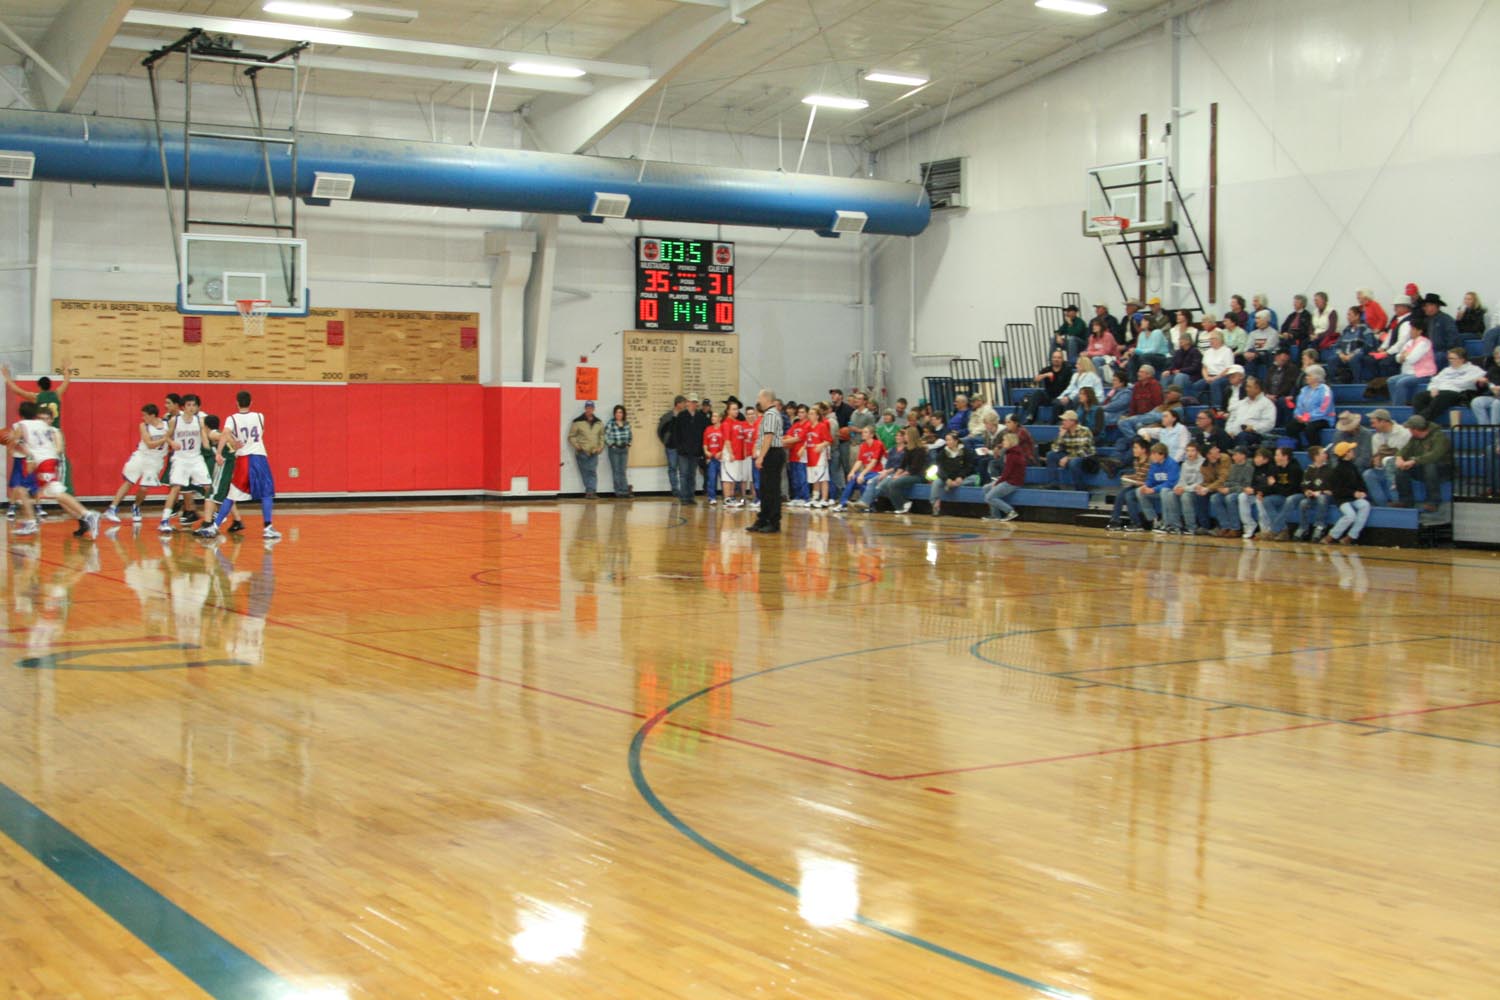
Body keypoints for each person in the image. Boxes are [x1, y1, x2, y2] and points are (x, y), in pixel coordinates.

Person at [9, 400, 98, 539]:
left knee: (55, 491)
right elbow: (31, 445)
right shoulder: (44, 426)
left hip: (45, 460)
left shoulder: (21, 425)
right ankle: (31, 521)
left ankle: (87, 514)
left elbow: (13, 444)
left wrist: (11, 442)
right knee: (28, 489)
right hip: (43, 460)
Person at [197, 391, 279, 541]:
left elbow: (225, 434)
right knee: (267, 492)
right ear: (251, 402)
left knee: (232, 494)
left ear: (237, 403)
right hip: (259, 457)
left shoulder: (232, 419)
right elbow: (261, 432)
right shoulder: (260, 416)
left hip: (243, 459)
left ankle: (214, 527)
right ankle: (268, 527)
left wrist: (219, 453)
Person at [104, 403, 170, 524]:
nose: (142, 418)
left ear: (152, 415)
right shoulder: (143, 426)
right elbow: (149, 444)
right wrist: (165, 439)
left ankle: (136, 506)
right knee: (128, 482)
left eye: (145, 415)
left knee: (144, 488)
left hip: (156, 460)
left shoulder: (167, 424)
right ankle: (112, 508)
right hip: (141, 456)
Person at [159, 395, 211, 534]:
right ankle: (164, 521)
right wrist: (172, 443)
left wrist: (210, 448)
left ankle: (210, 520)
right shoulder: (174, 421)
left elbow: (205, 438)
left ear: (197, 407)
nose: (191, 408)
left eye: (194, 405)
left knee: (208, 486)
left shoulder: (199, 421)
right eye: (188, 405)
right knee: (175, 488)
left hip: (195, 459)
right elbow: (167, 436)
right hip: (180, 459)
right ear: (183, 407)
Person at [196, 414, 245, 536]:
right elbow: (208, 446)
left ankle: (207, 525)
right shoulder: (212, 434)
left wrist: (233, 442)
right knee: (226, 496)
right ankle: (237, 521)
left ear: (206, 426)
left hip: (223, 467)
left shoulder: (213, 433)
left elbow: (224, 435)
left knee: (211, 495)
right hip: (228, 467)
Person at [746, 389, 786, 533]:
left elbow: (768, 437)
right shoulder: (770, 414)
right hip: (770, 452)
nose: (758, 401)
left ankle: (773, 522)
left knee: (771, 489)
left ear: (766, 399)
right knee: (764, 488)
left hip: (772, 453)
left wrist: (761, 456)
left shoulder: (770, 414)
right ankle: (763, 518)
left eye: (759, 398)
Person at [1392, 415, 1450, 512]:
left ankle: (1433, 501)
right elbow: (1405, 449)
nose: (1409, 431)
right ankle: (1405, 500)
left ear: (1415, 429)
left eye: (1410, 429)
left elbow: (1435, 455)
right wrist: (1399, 457)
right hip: (1422, 467)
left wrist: (1414, 461)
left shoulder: (1439, 436)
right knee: (1401, 469)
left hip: (1443, 468)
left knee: (1430, 466)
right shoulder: (1414, 438)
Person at [1411, 347, 1484, 424]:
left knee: (1442, 396)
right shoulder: (1447, 370)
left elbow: (1467, 383)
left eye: (1452, 358)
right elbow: (1434, 381)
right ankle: (1424, 422)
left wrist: (1449, 383)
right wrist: (1433, 388)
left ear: (1462, 359)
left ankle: (1418, 422)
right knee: (1419, 396)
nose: (1450, 360)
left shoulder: (1474, 369)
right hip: (1440, 391)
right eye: (1449, 358)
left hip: (1458, 392)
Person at [1325, 441, 1371, 545]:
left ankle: (1351, 535)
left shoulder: (1352, 466)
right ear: (1346, 454)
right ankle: (1331, 536)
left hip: (1353, 497)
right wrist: (1354, 493)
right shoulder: (1336, 471)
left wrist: (1362, 492)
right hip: (1342, 499)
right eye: (1351, 450)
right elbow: (1337, 490)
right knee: (1351, 516)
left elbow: (1360, 482)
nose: (1353, 452)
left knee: (1365, 505)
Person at [1285, 445, 1334, 541]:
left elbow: (1332, 488)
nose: (1325, 454)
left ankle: (1320, 526)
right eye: (1323, 453)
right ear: (1316, 457)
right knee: (1303, 503)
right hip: (1313, 496)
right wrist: (1307, 491)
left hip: (1326, 496)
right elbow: (1305, 484)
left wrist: (1322, 491)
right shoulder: (1309, 470)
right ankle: (1303, 527)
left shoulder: (1330, 470)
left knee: (1322, 498)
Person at [1363, 408, 1411, 506]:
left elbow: (1408, 454)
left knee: (1390, 464)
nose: (1372, 426)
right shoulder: (1376, 437)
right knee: (1368, 474)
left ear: (1384, 421)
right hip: (1382, 468)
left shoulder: (1404, 433)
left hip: (1401, 467)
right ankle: (1383, 506)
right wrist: (1375, 461)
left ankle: (1397, 502)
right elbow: (1375, 455)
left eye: (1374, 423)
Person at [835, 425, 887, 512]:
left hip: (879, 472)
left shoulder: (878, 444)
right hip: (868, 472)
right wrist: (851, 472)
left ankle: (868, 505)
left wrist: (862, 474)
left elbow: (873, 462)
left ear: (871, 435)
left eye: (865, 432)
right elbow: (859, 461)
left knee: (860, 479)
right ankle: (842, 504)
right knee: (853, 478)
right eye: (862, 432)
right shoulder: (863, 445)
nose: (863, 434)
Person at [876, 427, 928, 514]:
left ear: (911, 436)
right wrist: (896, 474)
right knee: (886, 484)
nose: (905, 437)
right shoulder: (907, 449)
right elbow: (902, 465)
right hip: (908, 473)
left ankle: (901, 506)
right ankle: (902, 504)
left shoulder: (920, 450)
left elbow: (914, 469)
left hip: (918, 475)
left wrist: (900, 476)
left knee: (893, 484)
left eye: (906, 435)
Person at [1257, 446, 1303, 540]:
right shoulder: (1276, 469)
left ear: (1285, 457)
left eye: (1277, 455)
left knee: (1290, 500)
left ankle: (1274, 530)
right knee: (1267, 500)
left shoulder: (1295, 469)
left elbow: (1291, 490)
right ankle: (1283, 530)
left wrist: (1275, 484)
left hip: (1297, 494)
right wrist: (1263, 493)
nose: (1275, 457)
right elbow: (1273, 487)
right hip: (1283, 494)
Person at [1386, 319, 1436, 406]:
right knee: (1391, 380)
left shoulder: (1424, 343)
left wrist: (1404, 355)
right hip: (1408, 373)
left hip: (1423, 374)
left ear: (1419, 331)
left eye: (1412, 329)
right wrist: (1404, 355)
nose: (1410, 331)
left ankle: (1399, 407)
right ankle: (1395, 404)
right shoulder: (1409, 342)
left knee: (1401, 382)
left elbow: (1412, 359)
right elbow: (1398, 358)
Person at [1105, 438, 1152, 532]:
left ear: (1143, 450)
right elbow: (1139, 475)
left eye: (1135, 448)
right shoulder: (1136, 460)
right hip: (1137, 485)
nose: (1133, 450)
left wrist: (1140, 482)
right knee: (1120, 495)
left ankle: (1137, 523)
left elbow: (1151, 480)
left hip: (1145, 486)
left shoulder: (1151, 462)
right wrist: (1129, 477)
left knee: (1129, 495)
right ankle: (1115, 521)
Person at [1159, 439, 1204, 535]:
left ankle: (1191, 527)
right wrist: (1178, 487)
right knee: (1170, 494)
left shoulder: (1203, 463)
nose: (1189, 453)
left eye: (1192, 450)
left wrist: (1185, 489)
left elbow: (1200, 482)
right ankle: (1175, 526)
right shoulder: (1184, 464)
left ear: (1198, 452)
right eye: (1187, 451)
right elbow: (1181, 480)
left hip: (1197, 491)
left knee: (1185, 497)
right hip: (1186, 489)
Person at [1018, 350, 1073, 424]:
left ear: (1062, 359)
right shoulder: (1047, 369)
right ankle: (1030, 417)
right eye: (1054, 357)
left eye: (1059, 358)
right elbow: (1035, 379)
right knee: (1038, 393)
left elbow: (1070, 386)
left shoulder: (1067, 370)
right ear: (1051, 359)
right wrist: (1045, 375)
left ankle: (1052, 423)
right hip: (1048, 396)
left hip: (1060, 397)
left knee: (1057, 403)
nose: (1056, 359)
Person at [1046, 410, 1095, 490]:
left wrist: (1068, 458)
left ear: (1072, 422)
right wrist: (1060, 436)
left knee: (1074, 462)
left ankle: (1080, 489)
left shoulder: (1084, 431)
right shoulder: (1065, 431)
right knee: (1050, 455)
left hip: (1086, 457)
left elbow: (1084, 450)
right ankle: (1054, 484)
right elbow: (1055, 449)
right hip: (1070, 456)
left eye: (1065, 420)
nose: (1062, 422)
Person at [1287, 365, 1334, 449]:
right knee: (1291, 427)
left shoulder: (1326, 390)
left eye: (1309, 375)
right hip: (1305, 418)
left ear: (1316, 377)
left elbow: (1324, 409)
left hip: (1322, 418)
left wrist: (1308, 417)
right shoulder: (1304, 390)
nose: (1306, 378)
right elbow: (1299, 406)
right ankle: (1297, 449)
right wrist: (1298, 416)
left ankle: (1316, 450)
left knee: (1310, 429)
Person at [928, 431, 974, 517]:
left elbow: (969, 467)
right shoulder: (942, 453)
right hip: (947, 477)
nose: (947, 442)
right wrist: (946, 479)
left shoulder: (965, 452)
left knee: (973, 479)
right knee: (936, 482)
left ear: (956, 441)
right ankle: (935, 505)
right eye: (946, 440)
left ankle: (951, 485)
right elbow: (939, 469)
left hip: (961, 478)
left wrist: (961, 476)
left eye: (949, 440)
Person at [1210, 446, 1254, 537]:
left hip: (1241, 492)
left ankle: (1235, 528)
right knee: (1215, 498)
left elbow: (1246, 485)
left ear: (1243, 456)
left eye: (1235, 454)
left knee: (1230, 498)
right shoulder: (1233, 467)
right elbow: (1228, 481)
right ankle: (1225, 526)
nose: (1233, 457)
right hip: (1231, 490)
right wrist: (1222, 487)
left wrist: (1230, 489)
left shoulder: (1249, 468)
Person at [1136, 443, 1180, 531]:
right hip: (1158, 490)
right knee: (1139, 491)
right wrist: (1146, 486)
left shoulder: (1172, 464)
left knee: (1164, 491)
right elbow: (1151, 479)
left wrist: (1153, 489)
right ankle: (1154, 520)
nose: (1151, 456)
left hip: (1171, 491)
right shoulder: (1154, 464)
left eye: (1153, 454)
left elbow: (1171, 483)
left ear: (1162, 454)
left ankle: (1167, 523)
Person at [983, 432, 1025, 523]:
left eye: (1005, 440)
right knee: (986, 488)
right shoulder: (1011, 452)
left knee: (989, 497)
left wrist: (997, 482)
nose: (1003, 442)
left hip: (1012, 482)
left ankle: (1010, 511)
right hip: (1009, 479)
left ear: (1011, 442)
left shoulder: (1012, 455)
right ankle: (995, 515)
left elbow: (1007, 472)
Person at [568, 401, 605, 499]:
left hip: (594, 452)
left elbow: (602, 436)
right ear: (585, 408)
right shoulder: (577, 421)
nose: (589, 409)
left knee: (592, 471)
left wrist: (600, 447)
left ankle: (591, 491)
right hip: (582, 452)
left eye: (591, 408)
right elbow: (571, 436)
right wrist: (577, 446)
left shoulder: (599, 422)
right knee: (585, 472)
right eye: (587, 407)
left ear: (594, 409)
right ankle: (590, 491)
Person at [670, 397, 703, 503]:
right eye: (691, 402)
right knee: (683, 474)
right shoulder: (682, 416)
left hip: (695, 451)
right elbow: (676, 433)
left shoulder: (700, 416)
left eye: (695, 402)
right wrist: (679, 447)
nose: (693, 404)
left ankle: (691, 496)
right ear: (687, 403)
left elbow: (702, 434)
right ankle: (684, 497)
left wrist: (700, 449)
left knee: (692, 474)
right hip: (683, 451)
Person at [1331, 307, 1375, 383]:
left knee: (1354, 359)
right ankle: (1334, 383)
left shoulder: (1365, 328)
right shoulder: (1346, 330)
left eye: (1350, 315)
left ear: (1357, 316)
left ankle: (1357, 382)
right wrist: (1340, 354)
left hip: (1358, 354)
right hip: (1344, 355)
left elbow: (1368, 345)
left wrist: (1352, 354)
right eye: (1347, 315)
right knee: (1332, 359)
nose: (1347, 317)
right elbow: (1337, 345)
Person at [1240, 447, 1276, 540]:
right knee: (1242, 496)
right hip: (1256, 492)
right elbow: (1253, 483)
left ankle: (1265, 530)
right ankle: (1249, 525)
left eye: (1258, 457)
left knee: (1260, 501)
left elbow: (1271, 486)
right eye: (1255, 456)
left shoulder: (1272, 468)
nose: (1255, 459)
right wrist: (1250, 489)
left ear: (1266, 459)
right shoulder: (1254, 468)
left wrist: (1257, 491)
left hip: (1266, 494)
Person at [804, 402, 832, 508]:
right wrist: (803, 448)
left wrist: (821, 445)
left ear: (817, 416)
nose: (809, 416)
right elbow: (805, 439)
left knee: (823, 477)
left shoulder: (822, 426)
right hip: (810, 454)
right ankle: (815, 497)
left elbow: (829, 440)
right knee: (814, 477)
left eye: (812, 414)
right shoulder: (808, 427)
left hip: (820, 455)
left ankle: (824, 499)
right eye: (809, 414)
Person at [658, 396, 686, 496]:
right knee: (673, 468)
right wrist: (666, 442)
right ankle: (675, 489)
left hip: (682, 448)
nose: (685, 405)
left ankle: (683, 489)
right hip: (671, 447)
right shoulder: (667, 417)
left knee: (683, 469)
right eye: (683, 403)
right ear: (678, 404)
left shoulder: (684, 416)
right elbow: (660, 431)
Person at [604, 404, 633, 498]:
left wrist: (628, 444)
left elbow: (630, 436)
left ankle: (625, 491)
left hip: (624, 450)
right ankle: (618, 491)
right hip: (614, 450)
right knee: (616, 471)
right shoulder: (610, 423)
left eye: (620, 412)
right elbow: (605, 435)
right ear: (614, 414)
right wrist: (611, 445)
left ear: (623, 414)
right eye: (616, 412)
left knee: (623, 471)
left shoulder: (627, 424)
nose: (618, 414)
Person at [701, 408, 726, 506]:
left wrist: (721, 452)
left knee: (724, 479)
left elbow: (726, 442)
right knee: (711, 478)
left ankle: (726, 497)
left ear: (720, 418)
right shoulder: (708, 429)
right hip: (711, 459)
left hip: (721, 458)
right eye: (712, 416)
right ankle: (712, 497)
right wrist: (706, 451)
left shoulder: (723, 429)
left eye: (715, 416)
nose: (713, 418)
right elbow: (705, 443)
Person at [1471, 346, 1500, 425]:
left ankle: (1496, 432)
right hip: (1495, 396)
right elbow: (1484, 387)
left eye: (1499, 358)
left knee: (1497, 403)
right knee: (1476, 402)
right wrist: (1481, 384)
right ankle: (1486, 429)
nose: (1497, 361)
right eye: (1496, 358)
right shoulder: (1493, 369)